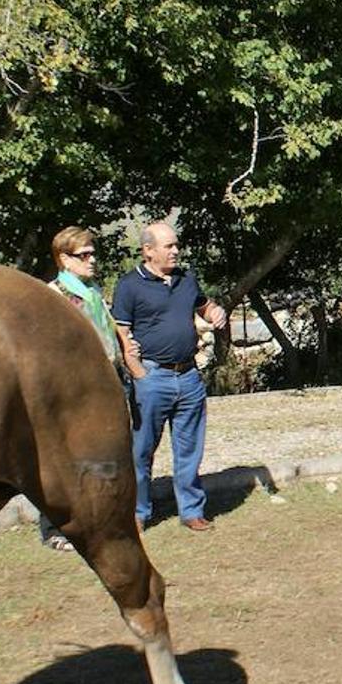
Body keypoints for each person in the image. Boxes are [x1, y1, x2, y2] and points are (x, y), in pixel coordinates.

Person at [112, 222, 227, 531]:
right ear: (148, 251)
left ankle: (191, 511)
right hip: (152, 378)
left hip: (188, 377)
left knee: (189, 449)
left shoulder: (186, 279)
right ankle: (138, 513)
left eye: (176, 245)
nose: (176, 251)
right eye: (169, 246)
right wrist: (138, 373)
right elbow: (121, 331)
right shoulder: (129, 285)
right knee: (141, 451)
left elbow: (204, 306)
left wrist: (216, 312)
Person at [41, 226, 144, 551]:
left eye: (92, 253)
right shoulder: (53, 295)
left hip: (104, 384)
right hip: (71, 390)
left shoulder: (93, 291)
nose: (92, 259)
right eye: (83, 255)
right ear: (63, 259)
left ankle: (97, 519)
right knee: (62, 459)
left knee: (97, 455)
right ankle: (55, 529)